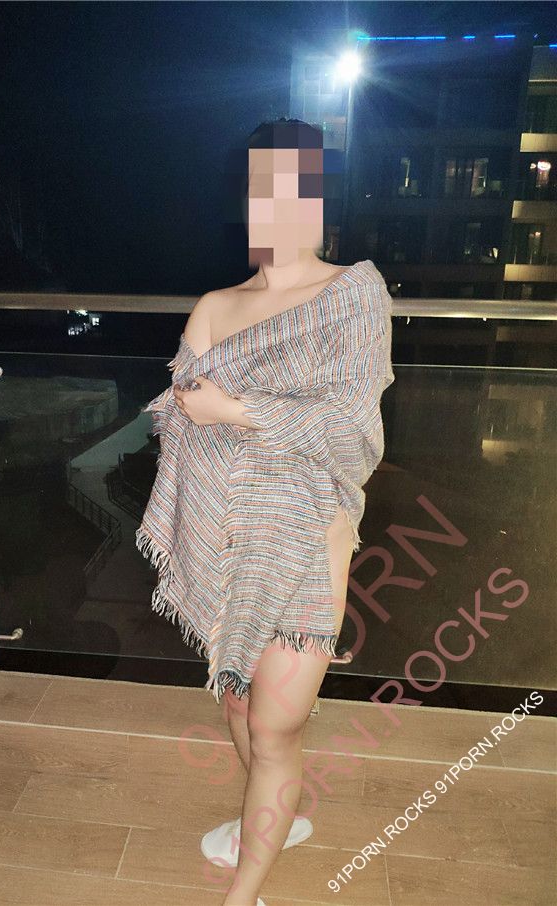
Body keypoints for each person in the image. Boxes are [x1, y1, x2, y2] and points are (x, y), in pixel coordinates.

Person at [136, 118, 394, 906]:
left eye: (296, 187)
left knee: (276, 727)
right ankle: (275, 815)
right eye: (261, 188)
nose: (276, 204)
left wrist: (238, 410)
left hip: (310, 545)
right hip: (230, 547)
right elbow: (182, 426)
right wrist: (194, 412)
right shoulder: (216, 305)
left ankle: (243, 894)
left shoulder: (354, 294)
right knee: (240, 711)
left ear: (321, 199)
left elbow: (354, 434)